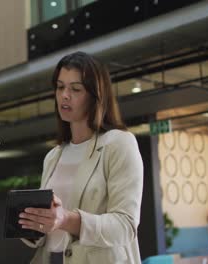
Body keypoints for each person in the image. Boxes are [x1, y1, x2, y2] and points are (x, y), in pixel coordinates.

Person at [19, 52, 143, 264]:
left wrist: (66, 219)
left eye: (75, 89)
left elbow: (125, 225)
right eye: (60, 87)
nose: (65, 95)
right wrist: (33, 224)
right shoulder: (53, 156)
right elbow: (51, 229)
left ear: (96, 96)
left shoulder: (119, 143)